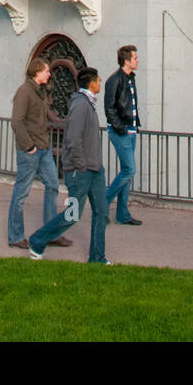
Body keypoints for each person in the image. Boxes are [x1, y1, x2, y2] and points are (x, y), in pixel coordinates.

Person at [26, 67, 112, 264]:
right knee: (72, 214)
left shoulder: (88, 104)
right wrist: (81, 165)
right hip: (80, 172)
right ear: (91, 83)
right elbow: (73, 139)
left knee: (101, 211)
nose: (100, 82)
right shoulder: (81, 105)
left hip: (95, 169)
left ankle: (97, 258)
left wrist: (94, 165)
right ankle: (37, 241)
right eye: (98, 80)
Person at [7, 59, 72, 250]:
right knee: (21, 193)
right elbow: (16, 121)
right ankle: (15, 236)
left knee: (53, 185)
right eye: (46, 71)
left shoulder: (40, 92)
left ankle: (50, 233)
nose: (49, 74)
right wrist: (29, 146)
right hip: (30, 151)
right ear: (37, 73)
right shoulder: (24, 92)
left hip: (43, 149)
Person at [104, 45, 143, 225]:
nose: (137, 60)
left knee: (126, 174)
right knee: (129, 170)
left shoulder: (130, 79)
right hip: (122, 131)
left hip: (131, 130)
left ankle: (122, 215)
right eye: (135, 58)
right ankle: (102, 202)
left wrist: (133, 127)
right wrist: (121, 128)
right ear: (126, 61)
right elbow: (109, 108)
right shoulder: (114, 80)